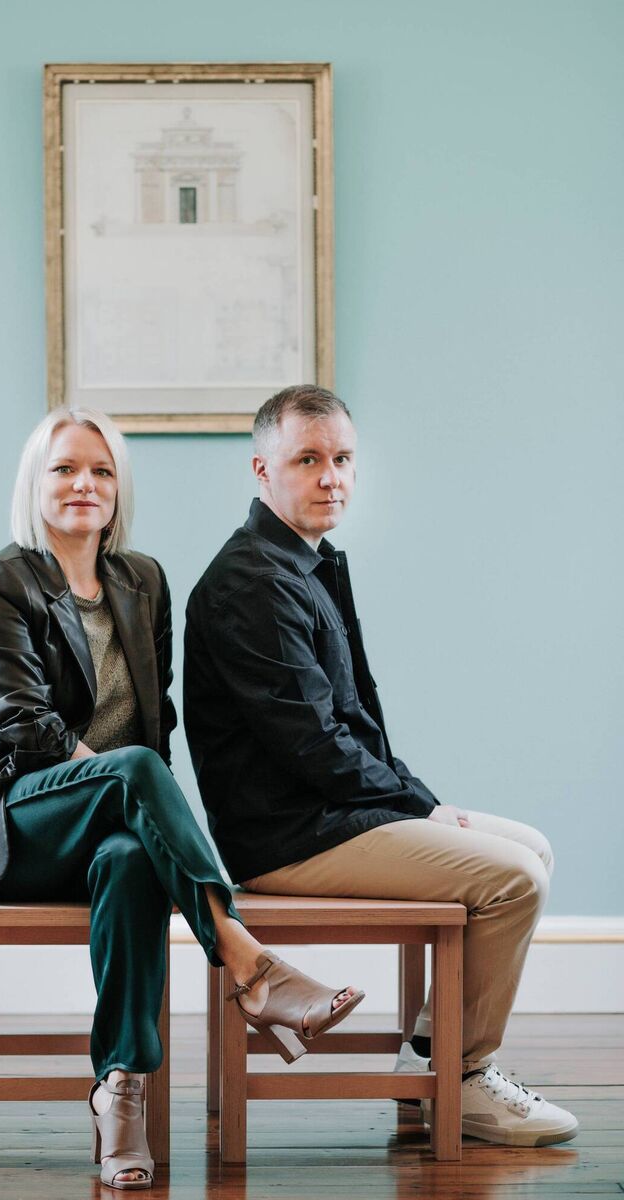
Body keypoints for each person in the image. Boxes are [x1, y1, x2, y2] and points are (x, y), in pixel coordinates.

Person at [0, 406, 363, 1190]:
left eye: (102, 470)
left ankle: (120, 1093)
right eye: (65, 469)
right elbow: (27, 729)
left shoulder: (142, 582)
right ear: (34, 483)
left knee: (131, 858)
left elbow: (157, 721)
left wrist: (146, 811)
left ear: (119, 489)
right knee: (135, 772)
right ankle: (249, 965)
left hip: (103, 824)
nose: (84, 483)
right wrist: (128, 781)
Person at [184, 384, 578, 1148]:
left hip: (330, 813)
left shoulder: (305, 564)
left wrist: (418, 800)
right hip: (289, 837)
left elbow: (355, 728)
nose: (331, 477)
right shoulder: (251, 582)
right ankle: (462, 1076)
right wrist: (420, 808)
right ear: (262, 470)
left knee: (532, 848)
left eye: (342, 459)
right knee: (515, 879)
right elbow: (313, 743)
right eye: (308, 459)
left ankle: (429, 1056)